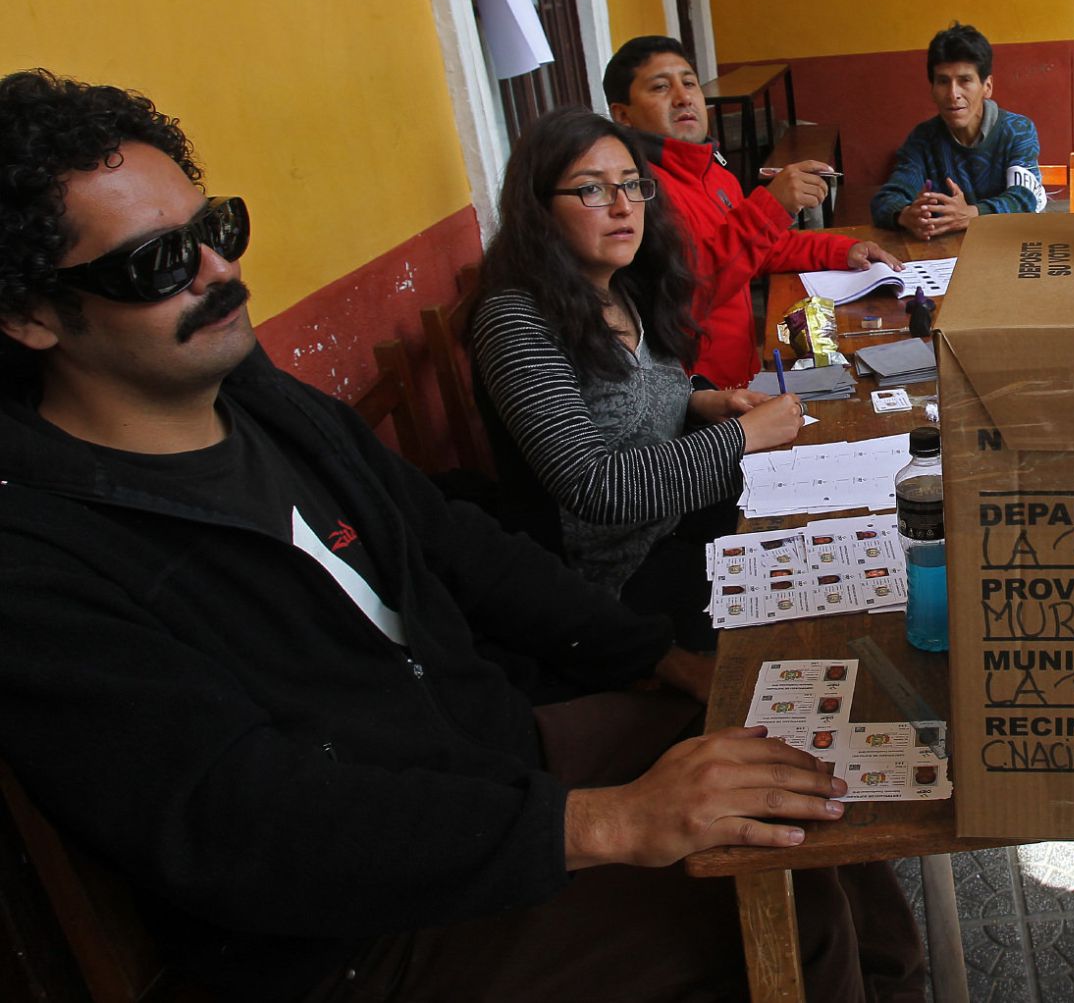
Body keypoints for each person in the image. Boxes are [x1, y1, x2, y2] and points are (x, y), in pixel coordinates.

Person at [0, 71, 924, 1002]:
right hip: (369, 930)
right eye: (155, 263)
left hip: (479, 749)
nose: (217, 272)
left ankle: (893, 981)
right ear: (29, 313)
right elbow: (243, 818)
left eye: (217, 229)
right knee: (774, 880)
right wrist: (607, 823)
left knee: (788, 754)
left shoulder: (257, 399)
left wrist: (661, 658)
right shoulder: (40, 558)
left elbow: (453, 540)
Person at [467, 109, 807, 647]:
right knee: (803, 625)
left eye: (631, 184)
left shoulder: (623, 286)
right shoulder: (517, 321)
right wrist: (741, 436)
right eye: (592, 191)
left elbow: (646, 394)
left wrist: (701, 403)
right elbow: (594, 487)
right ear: (539, 209)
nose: (624, 206)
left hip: (683, 522)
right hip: (613, 582)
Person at [604, 36, 901, 389]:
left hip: (745, 378)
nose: (683, 97)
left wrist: (842, 250)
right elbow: (687, 295)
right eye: (660, 87)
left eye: (689, 83)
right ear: (623, 115)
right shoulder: (637, 193)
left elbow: (761, 250)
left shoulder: (716, 175)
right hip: (695, 397)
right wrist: (771, 206)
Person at [870, 22, 1046, 240]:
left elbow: (1024, 198)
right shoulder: (923, 138)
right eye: (943, 81)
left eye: (965, 81)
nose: (953, 94)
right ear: (932, 90)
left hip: (1009, 248)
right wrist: (905, 215)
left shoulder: (1017, 130)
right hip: (947, 258)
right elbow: (887, 198)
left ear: (987, 87)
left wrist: (972, 214)